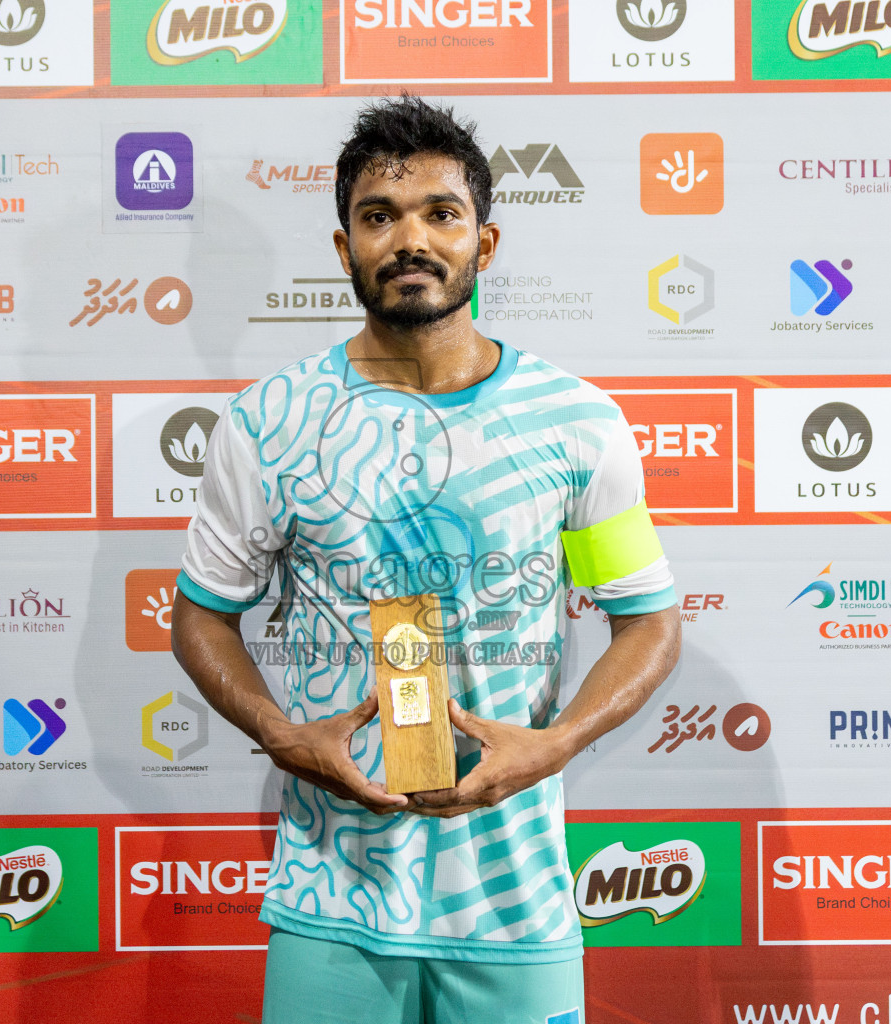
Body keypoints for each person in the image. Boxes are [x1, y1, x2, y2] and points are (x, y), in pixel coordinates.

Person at [170, 96, 682, 1024]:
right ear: (344, 248)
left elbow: (646, 619)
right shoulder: (269, 423)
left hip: (515, 900)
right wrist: (284, 736)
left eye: (441, 213)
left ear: (485, 244)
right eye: (380, 216)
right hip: (334, 897)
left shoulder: (576, 423)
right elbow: (202, 612)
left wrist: (556, 743)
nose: (411, 239)